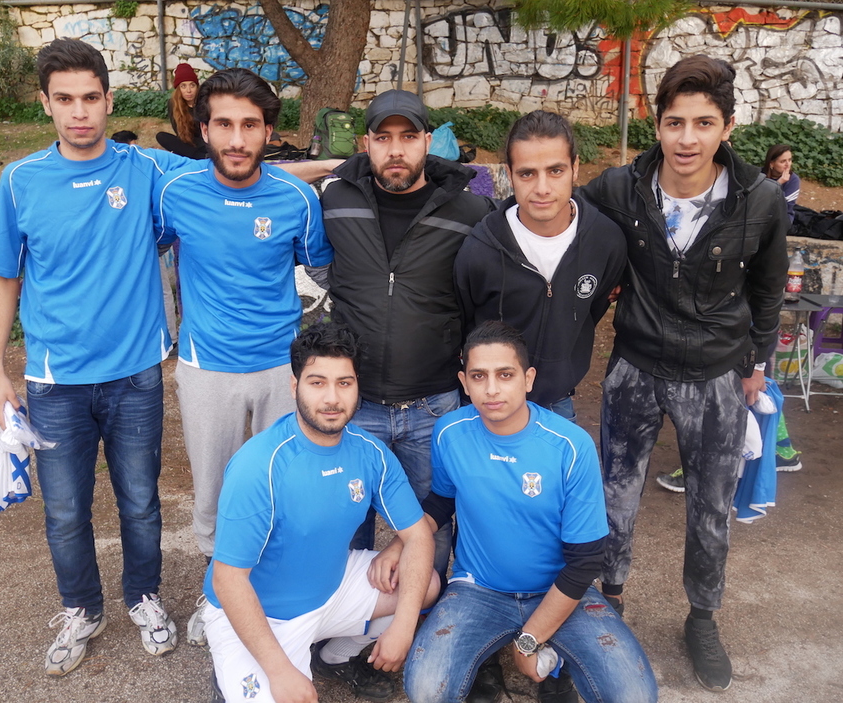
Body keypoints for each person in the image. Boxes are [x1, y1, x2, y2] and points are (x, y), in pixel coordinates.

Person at [580, 55, 788, 692]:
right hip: (636, 364)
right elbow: (554, 213)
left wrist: (755, 366)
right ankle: (607, 602)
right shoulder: (621, 188)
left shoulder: (759, 200)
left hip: (716, 373)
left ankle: (702, 617)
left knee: (711, 507)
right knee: (614, 498)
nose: (688, 138)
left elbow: (770, 291)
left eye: (704, 123)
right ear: (658, 124)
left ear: (727, 127)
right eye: (675, 122)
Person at [0, 37, 185, 676]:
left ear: (108, 99)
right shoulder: (20, 180)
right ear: (46, 104)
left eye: (90, 98)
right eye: (64, 100)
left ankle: (144, 597)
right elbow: (3, 278)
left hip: (135, 376)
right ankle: (82, 609)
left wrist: (334, 166)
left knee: (140, 501)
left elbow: (237, 172)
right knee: (65, 509)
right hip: (53, 382)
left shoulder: (146, 170)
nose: (79, 112)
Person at [378, 321, 656, 703]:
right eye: (479, 376)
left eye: (505, 375)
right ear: (464, 381)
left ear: (528, 379)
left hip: (558, 590)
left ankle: (550, 659)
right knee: (425, 689)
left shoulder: (570, 445)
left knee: (634, 696)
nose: (491, 389)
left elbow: (585, 561)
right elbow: (441, 502)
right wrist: (400, 543)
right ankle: (504, 657)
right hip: (477, 590)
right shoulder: (448, 432)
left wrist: (528, 641)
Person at [152, 67, 333, 646]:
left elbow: (322, 267)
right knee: (214, 495)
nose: (236, 139)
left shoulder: (297, 199)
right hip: (206, 369)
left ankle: (273, 594)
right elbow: (146, 247)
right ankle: (216, 597)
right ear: (203, 129)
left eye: (249, 125)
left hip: (283, 368)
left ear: (267, 132)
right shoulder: (174, 194)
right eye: (223, 124)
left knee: (281, 487)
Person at [202, 323, 439, 702]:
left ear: (357, 386)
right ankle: (236, 668)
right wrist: (280, 673)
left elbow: (418, 536)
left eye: (344, 383)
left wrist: (404, 628)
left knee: (423, 585)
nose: (332, 397)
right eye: (317, 383)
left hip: (330, 589)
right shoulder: (258, 465)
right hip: (263, 616)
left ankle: (335, 655)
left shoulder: (370, 453)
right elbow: (229, 580)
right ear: (294, 386)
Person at [321, 89, 496, 574]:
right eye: (383, 138)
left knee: (429, 529)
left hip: (431, 406)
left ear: (427, 142)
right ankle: (347, 627)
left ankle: (425, 629)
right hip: (357, 404)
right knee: (345, 524)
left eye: (408, 137)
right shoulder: (335, 199)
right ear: (365, 143)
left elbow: (482, 297)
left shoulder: (469, 212)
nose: (396, 150)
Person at [455, 110, 626, 421]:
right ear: (509, 173)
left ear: (575, 168)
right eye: (527, 173)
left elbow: (593, 307)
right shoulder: (479, 249)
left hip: (558, 405)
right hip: (489, 409)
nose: (543, 188)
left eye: (556, 171)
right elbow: (465, 322)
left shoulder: (606, 240)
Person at [156, 62, 208, 159]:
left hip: (208, 142)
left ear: (197, 87)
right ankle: (200, 156)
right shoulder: (173, 104)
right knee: (161, 136)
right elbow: (180, 133)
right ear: (179, 89)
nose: (188, 90)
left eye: (192, 85)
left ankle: (200, 155)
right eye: (183, 86)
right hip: (189, 144)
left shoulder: (205, 102)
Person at [762, 143, 800, 225]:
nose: (788, 164)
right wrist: (777, 183)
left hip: (782, 218)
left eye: (789, 160)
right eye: (783, 161)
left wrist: (778, 185)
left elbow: (783, 207)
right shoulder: (760, 175)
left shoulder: (793, 180)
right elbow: (757, 202)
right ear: (772, 164)